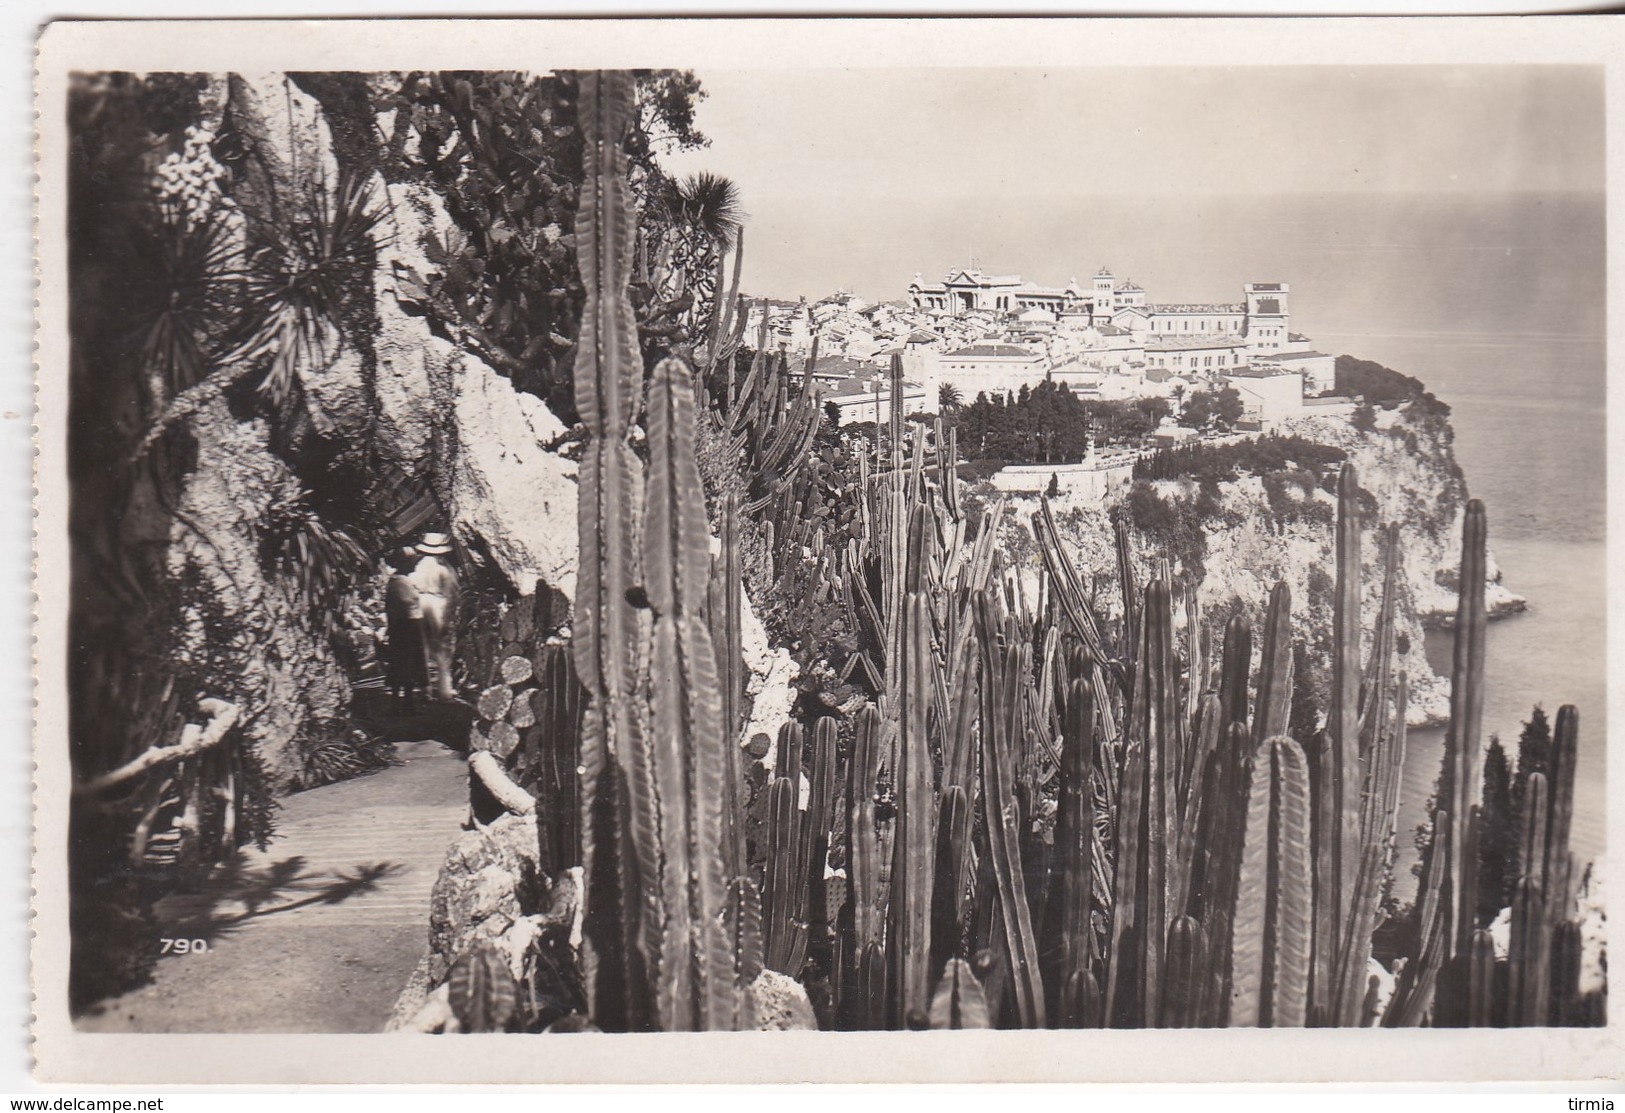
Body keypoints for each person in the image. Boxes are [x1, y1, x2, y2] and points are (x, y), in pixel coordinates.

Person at [411, 531, 461, 702]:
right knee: (441, 648)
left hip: (420, 603)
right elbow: (452, 593)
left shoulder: (419, 566)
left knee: (422, 646)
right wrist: (449, 615)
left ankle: (425, 689)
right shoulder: (444, 569)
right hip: (437, 605)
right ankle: (444, 690)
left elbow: (413, 586)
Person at [383, 546, 429, 710]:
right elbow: (405, 604)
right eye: (412, 563)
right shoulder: (399, 583)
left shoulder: (402, 581)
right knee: (405, 663)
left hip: (407, 626)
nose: (415, 566)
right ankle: (401, 704)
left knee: (406, 664)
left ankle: (405, 702)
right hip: (406, 627)